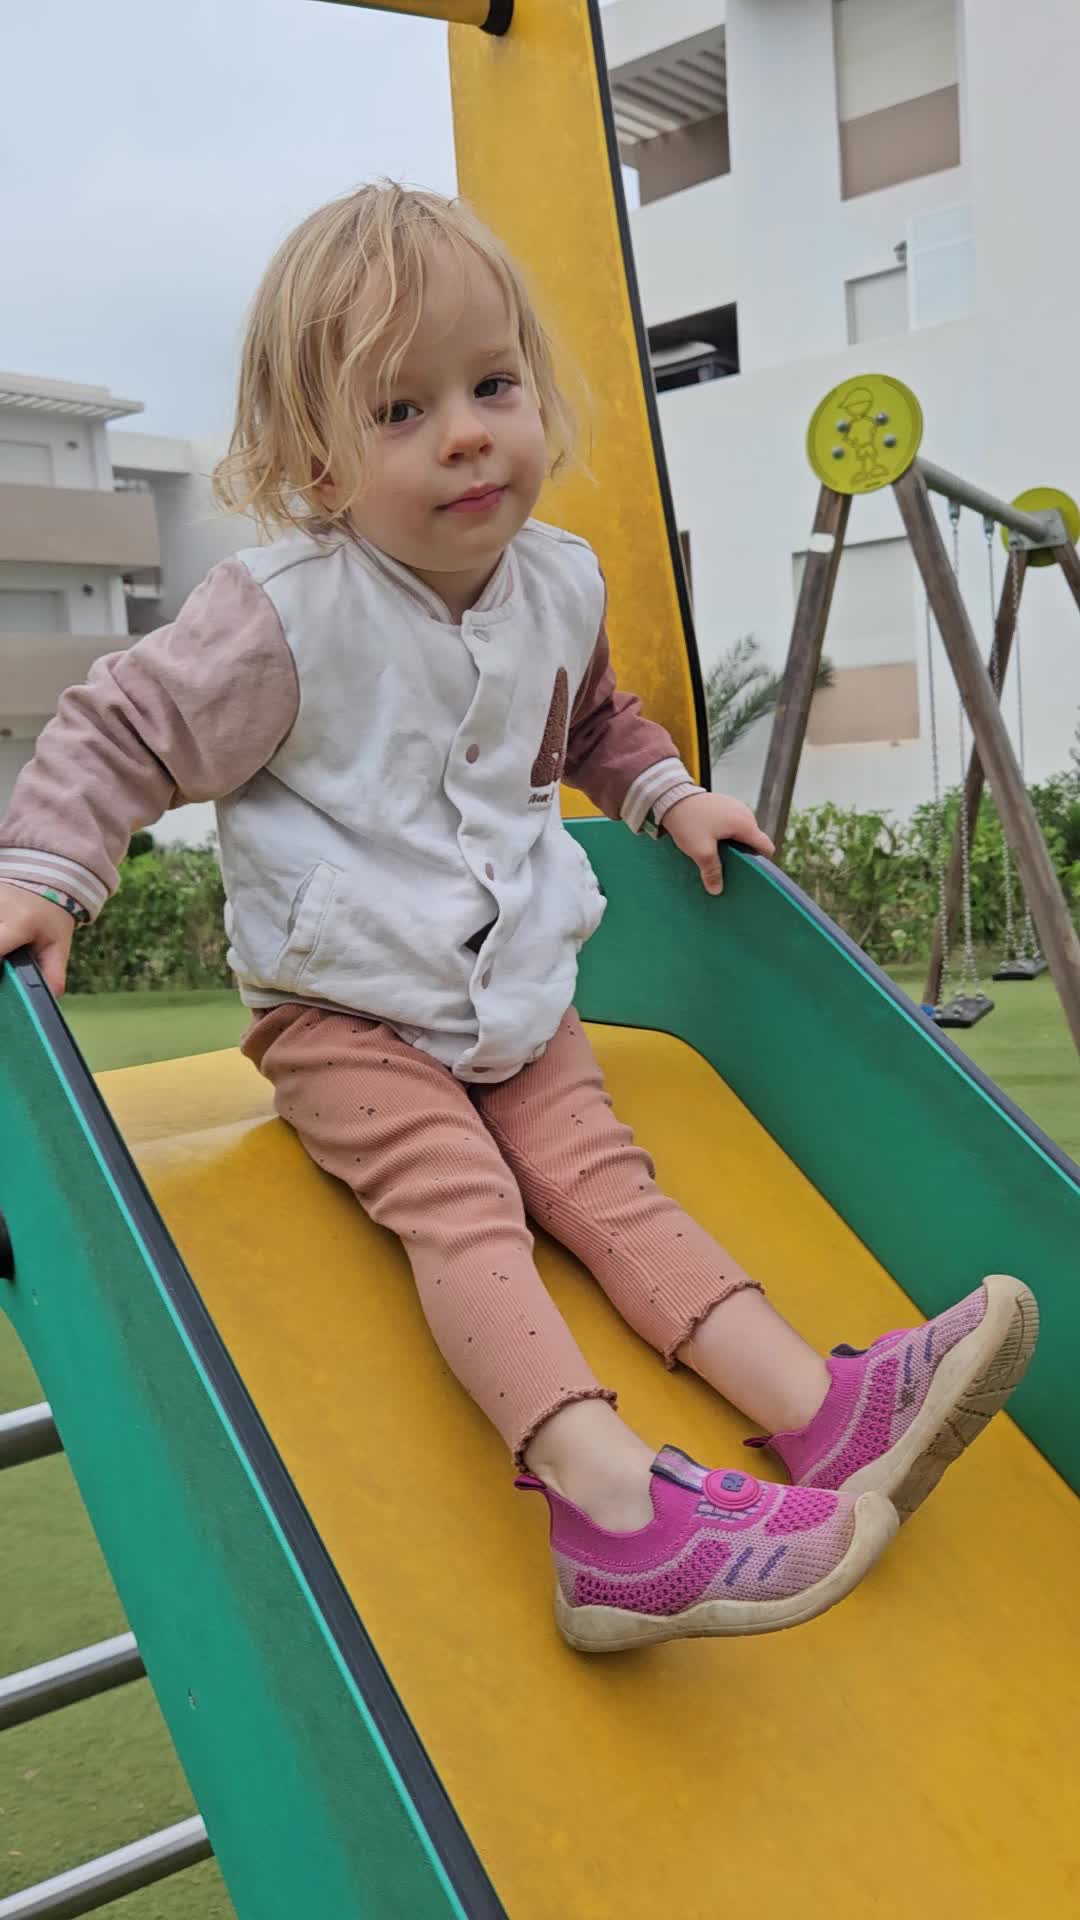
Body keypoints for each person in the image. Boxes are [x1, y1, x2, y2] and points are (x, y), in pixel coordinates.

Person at [0, 185, 1037, 1655]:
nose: (467, 435)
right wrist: (49, 873)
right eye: (402, 410)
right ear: (316, 461)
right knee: (467, 1207)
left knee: (614, 1191)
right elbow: (123, 726)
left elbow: (594, 718)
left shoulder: (560, 581)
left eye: (492, 386)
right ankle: (608, 1515)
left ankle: (826, 1414)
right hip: (346, 1008)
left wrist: (669, 794)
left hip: (516, 995)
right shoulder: (288, 613)